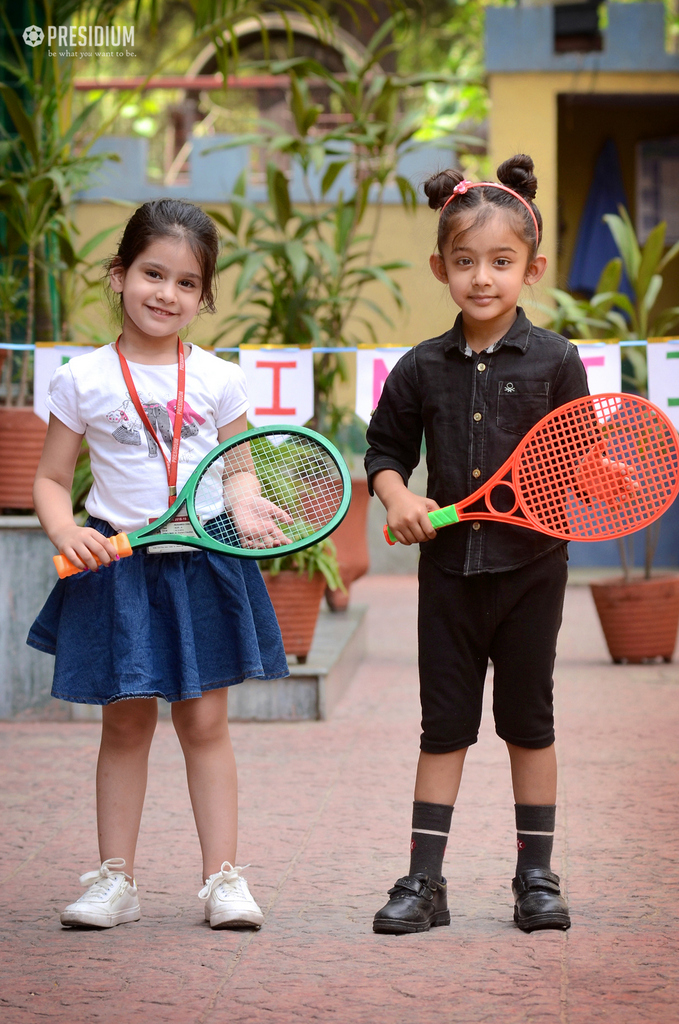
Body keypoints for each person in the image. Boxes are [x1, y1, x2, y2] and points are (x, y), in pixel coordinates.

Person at [28, 199, 289, 931]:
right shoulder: (81, 379)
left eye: (185, 283)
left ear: (202, 298)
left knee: (205, 724)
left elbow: (239, 470)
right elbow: (51, 478)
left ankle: (223, 881)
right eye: (151, 273)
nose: (165, 294)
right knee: (125, 726)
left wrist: (245, 504)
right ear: (118, 274)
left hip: (203, 563)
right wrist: (64, 526)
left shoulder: (219, 379)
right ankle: (116, 880)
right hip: (119, 569)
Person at [365, 155, 589, 934]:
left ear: (533, 268)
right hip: (449, 573)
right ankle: (424, 884)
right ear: (440, 267)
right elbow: (384, 453)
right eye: (464, 262)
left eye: (501, 262)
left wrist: (608, 476)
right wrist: (396, 497)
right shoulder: (419, 366)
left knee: (529, 720)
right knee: (445, 725)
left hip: (534, 569)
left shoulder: (560, 362)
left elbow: (578, 460)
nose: (482, 277)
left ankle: (535, 877)